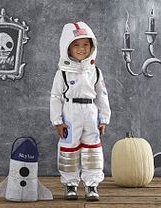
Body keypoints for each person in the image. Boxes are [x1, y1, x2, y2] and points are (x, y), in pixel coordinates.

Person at [50, 21, 111, 201]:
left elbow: (102, 95)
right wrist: (58, 121)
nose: (81, 49)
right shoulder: (62, 73)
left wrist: (104, 118)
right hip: (70, 112)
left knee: (92, 150)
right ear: (67, 48)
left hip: (91, 113)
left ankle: (91, 185)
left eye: (86, 44)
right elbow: (55, 97)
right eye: (76, 45)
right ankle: (71, 185)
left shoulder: (95, 72)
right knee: (69, 148)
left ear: (92, 47)